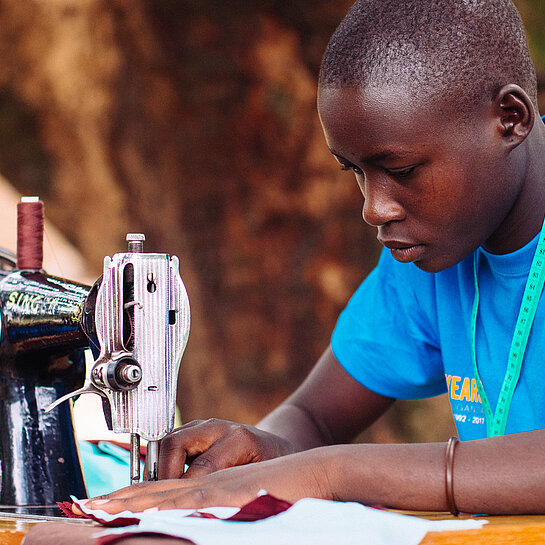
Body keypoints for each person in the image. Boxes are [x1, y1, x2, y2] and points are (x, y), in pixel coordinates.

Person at [75, 0, 545, 516]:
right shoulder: (440, 247)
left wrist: (327, 472)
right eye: (356, 172)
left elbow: (323, 460)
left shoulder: (445, 234)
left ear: (510, 118)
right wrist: (259, 455)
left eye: (403, 170)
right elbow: (312, 417)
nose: (374, 209)